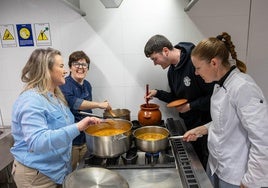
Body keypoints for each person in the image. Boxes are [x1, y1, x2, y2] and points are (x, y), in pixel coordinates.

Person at [183, 32, 268, 188]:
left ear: (214, 63)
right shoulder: (219, 84)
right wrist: (202, 129)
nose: (196, 73)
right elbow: (225, 122)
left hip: (236, 176)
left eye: (198, 68)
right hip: (215, 166)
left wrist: (250, 181)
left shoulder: (244, 87)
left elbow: (263, 139)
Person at [10, 48, 101, 188]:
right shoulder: (31, 100)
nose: (65, 71)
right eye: (61, 66)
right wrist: (78, 126)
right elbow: (37, 141)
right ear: (46, 70)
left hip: (58, 171)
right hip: (37, 176)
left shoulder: (56, 96)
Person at [144, 34, 214, 169]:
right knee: (196, 163)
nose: (155, 63)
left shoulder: (195, 62)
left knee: (205, 166)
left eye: (155, 59)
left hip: (206, 127)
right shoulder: (172, 71)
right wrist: (158, 93)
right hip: (190, 125)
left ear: (165, 51)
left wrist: (190, 106)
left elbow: (213, 97)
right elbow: (177, 99)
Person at [59, 50, 111, 171]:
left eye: (84, 65)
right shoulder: (64, 84)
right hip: (71, 141)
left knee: (85, 169)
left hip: (87, 138)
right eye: (77, 64)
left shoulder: (87, 85)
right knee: (69, 172)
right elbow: (75, 103)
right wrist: (99, 104)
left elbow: (88, 110)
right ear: (70, 67)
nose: (80, 68)